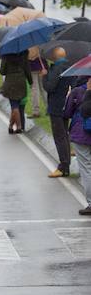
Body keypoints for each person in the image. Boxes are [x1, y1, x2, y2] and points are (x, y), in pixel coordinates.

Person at [43, 47, 80, 178]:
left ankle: (63, 166)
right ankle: (66, 160)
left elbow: (49, 87)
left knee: (59, 136)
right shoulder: (71, 67)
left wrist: (44, 75)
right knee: (64, 134)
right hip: (67, 105)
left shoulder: (56, 68)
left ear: (55, 57)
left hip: (56, 106)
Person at [65, 83, 91, 215]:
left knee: (86, 168)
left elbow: (68, 112)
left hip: (81, 134)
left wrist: (69, 96)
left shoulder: (78, 92)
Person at [0, 51, 32, 134]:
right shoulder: (24, 53)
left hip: (10, 82)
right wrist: (30, 81)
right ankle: (10, 126)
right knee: (16, 105)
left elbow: (2, 71)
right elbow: (27, 69)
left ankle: (19, 126)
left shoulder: (6, 54)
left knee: (14, 106)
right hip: (21, 81)